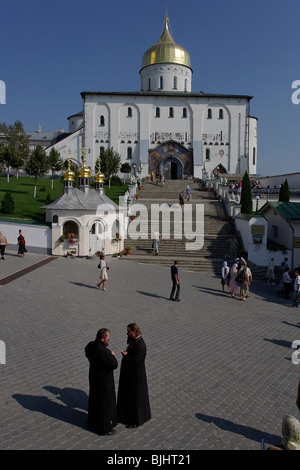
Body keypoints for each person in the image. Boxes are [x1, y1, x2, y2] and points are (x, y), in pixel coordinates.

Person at [85, 328, 118, 435]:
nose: (109, 339)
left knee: (95, 401)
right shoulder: (103, 351)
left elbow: (87, 352)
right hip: (103, 381)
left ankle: (93, 423)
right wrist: (111, 354)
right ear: (103, 339)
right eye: (108, 337)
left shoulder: (91, 345)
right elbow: (114, 364)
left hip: (94, 378)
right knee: (104, 404)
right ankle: (104, 428)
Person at [117, 323, 151, 428]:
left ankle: (136, 420)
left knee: (135, 398)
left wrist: (126, 356)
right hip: (131, 375)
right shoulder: (136, 341)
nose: (127, 333)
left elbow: (137, 362)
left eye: (128, 332)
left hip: (136, 377)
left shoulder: (140, 345)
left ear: (134, 332)